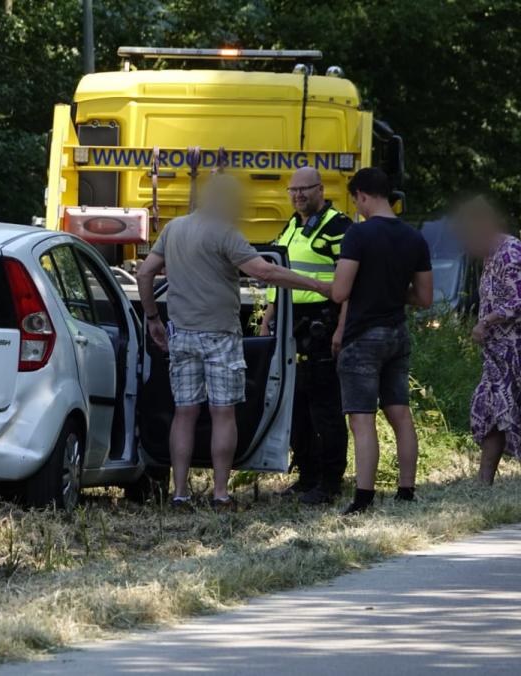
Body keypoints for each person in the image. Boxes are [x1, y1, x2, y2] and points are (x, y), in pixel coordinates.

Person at [137, 174, 333, 509]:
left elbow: (144, 273)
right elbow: (264, 272)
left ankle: (180, 493)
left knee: (183, 414)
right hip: (220, 336)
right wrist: (316, 285)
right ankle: (220, 493)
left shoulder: (174, 229)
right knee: (223, 413)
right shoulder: (225, 233)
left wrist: (154, 318)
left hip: (181, 334)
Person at [331, 168, 433, 515]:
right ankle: (406, 491)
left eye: (356, 200)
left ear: (362, 195)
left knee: (361, 419)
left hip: (362, 337)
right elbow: (424, 298)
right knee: (400, 414)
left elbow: (340, 291)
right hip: (396, 334)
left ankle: (363, 497)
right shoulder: (414, 238)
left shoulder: (357, 235)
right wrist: (390, 291)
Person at [261, 167, 353, 504]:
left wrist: (342, 327)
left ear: (320, 189)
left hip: (322, 325)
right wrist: (269, 315)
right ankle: (307, 476)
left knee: (324, 407)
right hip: (290, 324)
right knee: (297, 405)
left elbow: (350, 284)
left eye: (305, 189)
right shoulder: (293, 225)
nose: (298, 195)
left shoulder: (338, 226)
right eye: (293, 190)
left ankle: (330, 482)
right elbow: (282, 276)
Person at [451, 196, 521, 484]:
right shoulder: (489, 255)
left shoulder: (510, 251)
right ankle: (483, 483)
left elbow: (517, 300)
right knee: (492, 411)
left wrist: (486, 321)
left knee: (508, 411)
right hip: (496, 357)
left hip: (514, 352)